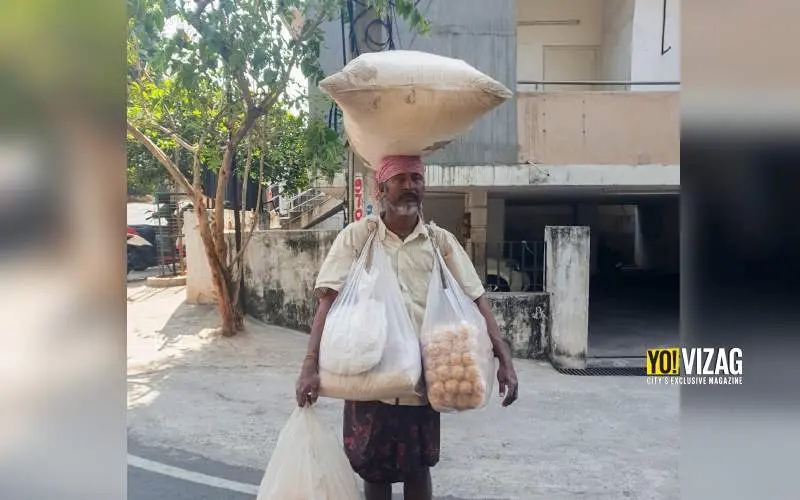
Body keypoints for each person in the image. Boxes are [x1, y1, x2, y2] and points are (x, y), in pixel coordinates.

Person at [296, 155, 519, 500]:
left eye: (416, 178)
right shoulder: (358, 238)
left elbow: (477, 298)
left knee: (418, 470)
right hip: (368, 377)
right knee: (374, 470)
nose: (410, 186)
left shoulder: (439, 242)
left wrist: (503, 357)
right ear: (381, 188)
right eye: (400, 179)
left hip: (420, 384)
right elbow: (327, 299)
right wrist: (310, 364)